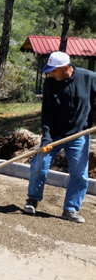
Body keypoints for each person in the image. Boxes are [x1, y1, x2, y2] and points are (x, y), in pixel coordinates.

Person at [25, 51, 96, 224]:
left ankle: (71, 209)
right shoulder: (50, 83)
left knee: (80, 174)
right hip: (55, 135)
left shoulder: (89, 78)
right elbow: (47, 113)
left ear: (66, 68)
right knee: (39, 165)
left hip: (79, 134)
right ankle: (32, 199)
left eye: (53, 70)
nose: (50, 74)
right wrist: (47, 138)